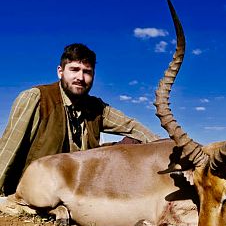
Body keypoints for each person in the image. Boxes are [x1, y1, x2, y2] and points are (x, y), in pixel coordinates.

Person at [0, 43, 159, 196]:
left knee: (132, 143)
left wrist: (166, 146)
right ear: (60, 71)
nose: (80, 77)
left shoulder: (97, 108)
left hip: (79, 188)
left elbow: (132, 126)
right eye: (74, 70)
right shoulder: (36, 98)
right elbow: (8, 148)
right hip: (39, 186)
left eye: (87, 72)